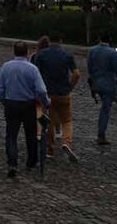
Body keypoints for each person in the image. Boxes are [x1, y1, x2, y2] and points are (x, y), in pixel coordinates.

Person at [0, 41, 51, 177]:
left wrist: (4, 101)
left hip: (11, 103)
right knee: (31, 134)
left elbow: (0, 88)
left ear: (14, 51)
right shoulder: (32, 69)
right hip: (28, 104)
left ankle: (12, 163)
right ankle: (31, 161)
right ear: (27, 52)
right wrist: (46, 102)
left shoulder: (6, 67)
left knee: (11, 135)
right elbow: (41, 90)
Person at [33, 33, 80, 161]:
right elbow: (76, 74)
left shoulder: (41, 55)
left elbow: (36, 74)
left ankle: (51, 149)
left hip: (48, 93)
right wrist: (70, 86)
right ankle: (66, 142)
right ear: (60, 41)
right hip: (64, 93)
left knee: (50, 122)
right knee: (67, 120)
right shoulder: (67, 55)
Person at [86, 32, 117, 145]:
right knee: (105, 109)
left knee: (104, 107)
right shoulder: (112, 52)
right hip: (108, 84)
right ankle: (101, 134)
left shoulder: (92, 51)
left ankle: (101, 133)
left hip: (96, 83)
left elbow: (89, 68)